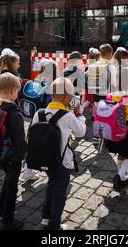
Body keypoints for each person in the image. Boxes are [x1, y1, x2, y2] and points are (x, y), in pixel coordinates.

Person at [30, 77, 86, 230]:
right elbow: (81, 132)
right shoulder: (67, 116)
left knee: (51, 186)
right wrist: (79, 114)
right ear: (67, 97)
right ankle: (55, 225)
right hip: (62, 162)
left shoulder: (40, 113)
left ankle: (46, 218)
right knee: (60, 193)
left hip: (45, 159)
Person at [0, 73, 27, 230]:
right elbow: (20, 139)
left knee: (7, 181)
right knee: (12, 186)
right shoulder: (14, 112)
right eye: (17, 92)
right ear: (14, 90)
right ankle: (8, 219)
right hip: (13, 156)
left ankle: (1, 210)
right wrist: (24, 155)